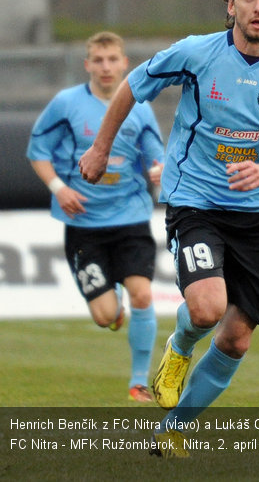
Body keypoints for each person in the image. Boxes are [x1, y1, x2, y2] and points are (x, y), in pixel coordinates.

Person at [79, 0, 259, 458]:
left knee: (235, 341)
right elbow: (132, 87)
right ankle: (182, 346)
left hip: (256, 214)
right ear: (231, 5)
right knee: (207, 309)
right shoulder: (195, 52)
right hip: (196, 202)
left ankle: (171, 432)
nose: (258, 7)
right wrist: (100, 149)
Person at [27, 31, 164, 403]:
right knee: (105, 316)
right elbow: (37, 151)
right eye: (98, 61)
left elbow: (156, 154)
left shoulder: (141, 105)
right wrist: (59, 187)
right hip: (84, 224)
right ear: (88, 65)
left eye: (112, 59)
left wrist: (158, 169)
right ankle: (111, 308)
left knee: (142, 293)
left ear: (124, 63)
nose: (106, 67)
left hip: (131, 217)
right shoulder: (65, 103)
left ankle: (139, 382)